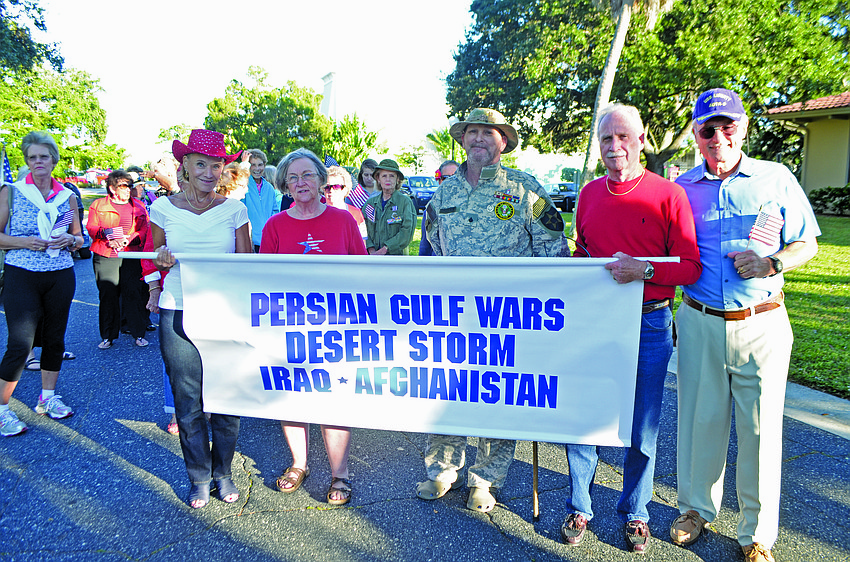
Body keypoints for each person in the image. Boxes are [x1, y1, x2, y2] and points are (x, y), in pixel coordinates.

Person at [669, 89, 820, 562]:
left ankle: (757, 534)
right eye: (707, 129)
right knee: (699, 421)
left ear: (744, 128)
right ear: (695, 135)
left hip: (762, 324)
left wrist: (772, 262)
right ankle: (695, 510)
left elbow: (807, 243)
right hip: (699, 320)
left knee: (760, 430)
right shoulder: (683, 188)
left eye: (727, 126)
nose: (718, 137)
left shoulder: (776, 178)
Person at [560, 104, 702, 553]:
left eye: (623, 137)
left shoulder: (669, 195)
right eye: (606, 138)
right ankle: (580, 504)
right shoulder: (588, 194)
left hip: (649, 320)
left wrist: (642, 270)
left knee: (642, 426)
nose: (615, 146)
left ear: (641, 140)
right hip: (594, 321)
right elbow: (584, 253)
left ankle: (636, 512)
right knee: (584, 417)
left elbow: (690, 268)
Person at [417, 108, 569, 512]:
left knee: (496, 395)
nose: (479, 138)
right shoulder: (444, 192)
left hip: (507, 316)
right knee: (445, 389)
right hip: (452, 315)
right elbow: (431, 246)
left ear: (503, 141)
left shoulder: (525, 190)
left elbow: (554, 251)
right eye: (472, 132)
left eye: (489, 132)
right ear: (462, 139)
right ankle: (441, 471)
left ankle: (485, 479)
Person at [150, 129, 251, 508]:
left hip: (225, 313)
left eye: (217, 165)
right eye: (202, 164)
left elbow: (245, 266)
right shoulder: (161, 209)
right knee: (187, 398)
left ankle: (223, 473)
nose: (210, 172)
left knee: (226, 397)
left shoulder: (235, 210)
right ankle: (198, 477)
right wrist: (159, 262)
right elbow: (153, 253)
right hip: (177, 309)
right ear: (186, 166)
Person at [260, 148, 366, 506]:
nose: (301, 182)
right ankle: (299, 463)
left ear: (322, 180)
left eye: (308, 175)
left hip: (337, 323)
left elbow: (363, 272)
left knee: (334, 395)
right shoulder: (275, 225)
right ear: (285, 185)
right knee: (291, 393)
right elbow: (264, 279)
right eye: (293, 177)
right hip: (289, 323)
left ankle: (340, 473)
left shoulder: (343, 221)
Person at [0, 131, 84, 437]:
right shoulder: (11, 191)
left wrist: (71, 239)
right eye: (32, 157)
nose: (38, 162)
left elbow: (80, 238)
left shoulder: (68, 196)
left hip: (60, 273)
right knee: (20, 344)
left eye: (43, 157)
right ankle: (1, 410)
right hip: (22, 272)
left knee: (55, 339)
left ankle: (47, 398)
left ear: (53, 160)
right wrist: (24, 241)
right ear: (26, 160)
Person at [87, 170, 152, 349]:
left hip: (131, 254)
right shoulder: (98, 205)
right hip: (106, 254)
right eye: (123, 186)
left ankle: (138, 333)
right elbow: (91, 227)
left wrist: (129, 239)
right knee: (108, 295)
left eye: (130, 186)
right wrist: (108, 235)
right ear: (112, 188)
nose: (128, 190)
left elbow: (144, 229)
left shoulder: (138, 205)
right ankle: (108, 336)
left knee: (134, 294)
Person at [362, 159, 415, 255]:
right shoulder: (370, 203)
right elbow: (362, 229)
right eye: (384, 176)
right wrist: (372, 250)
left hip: (396, 261)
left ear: (397, 179)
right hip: (372, 259)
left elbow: (406, 233)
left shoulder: (405, 202)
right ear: (378, 179)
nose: (388, 179)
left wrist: (385, 249)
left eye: (392, 176)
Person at [241, 148, 282, 252]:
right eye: (253, 165)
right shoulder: (243, 185)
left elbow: (275, 212)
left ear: (264, 165)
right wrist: (243, 165)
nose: (257, 168)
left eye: (260, 165)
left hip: (268, 240)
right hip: (249, 240)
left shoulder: (269, 187)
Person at [419, 160, 459, 256]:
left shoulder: (473, 206)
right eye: (445, 178)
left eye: (455, 177)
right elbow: (425, 244)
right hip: (439, 265)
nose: (450, 181)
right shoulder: (432, 208)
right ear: (439, 180)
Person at [325, 165, 367, 239]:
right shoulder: (315, 213)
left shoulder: (355, 214)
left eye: (336, 187)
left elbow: (362, 245)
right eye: (327, 187)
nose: (331, 190)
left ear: (345, 189)